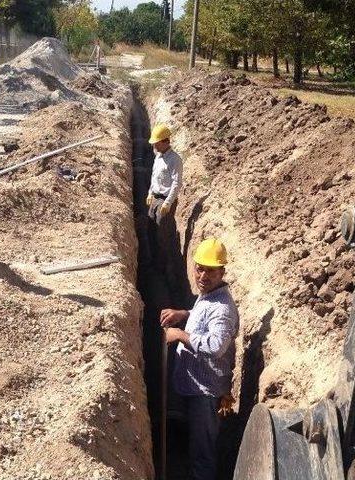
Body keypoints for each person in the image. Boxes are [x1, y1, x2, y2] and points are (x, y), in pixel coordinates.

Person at [161, 238, 239, 480]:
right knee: (193, 443)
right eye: (199, 268)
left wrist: (180, 334)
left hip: (206, 393)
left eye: (211, 271)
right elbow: (204, 316)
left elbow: (216, 346)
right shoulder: (209, 295)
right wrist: (184, 313)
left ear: (222, 272)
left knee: (202, 454)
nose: (203, 276)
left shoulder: (223, 308)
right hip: (193, 386)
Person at [146, 124, 184, 300]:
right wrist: (149, 193)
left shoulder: (175, 160)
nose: (153, 146)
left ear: (165, 141)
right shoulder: (158, 156)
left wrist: (168, 202)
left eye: (156, 143)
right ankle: (155, 261)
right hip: (155, 197)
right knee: (152, 229)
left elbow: (176, 184)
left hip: (165, 200)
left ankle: (168, 270)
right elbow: (154, 176)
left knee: (164, 235)